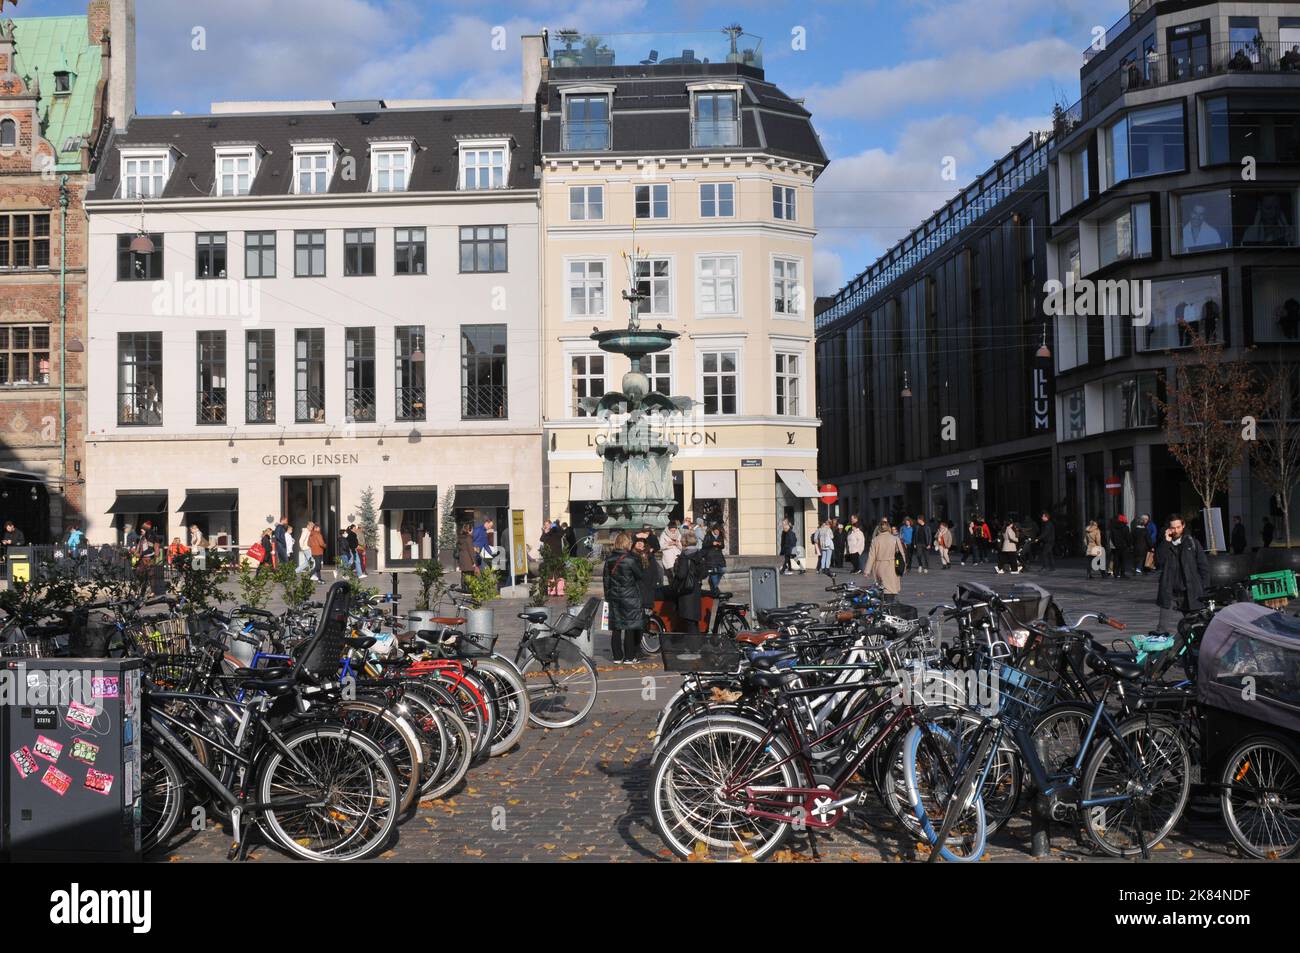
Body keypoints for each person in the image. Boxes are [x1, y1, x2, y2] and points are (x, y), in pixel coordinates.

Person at [1155, 514, 1209, 634]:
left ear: (1183, 525)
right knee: (1161, 628)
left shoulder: (1192, 543)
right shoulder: (1165, 543)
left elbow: (1203, 566)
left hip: (1189, 590)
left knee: (1193, 626)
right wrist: (1166, 542)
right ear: (1168, 528)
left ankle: (1190, 649)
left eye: (1178, 527)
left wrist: (1204, 588)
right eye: (1173, 528)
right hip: (1169, 590)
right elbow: (1158, 561)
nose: (1176, 530)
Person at [603, 532, 646, 665]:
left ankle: (617, 656)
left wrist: (608, 596)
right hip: (630, 596)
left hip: (614, 596)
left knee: (616, 627)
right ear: (627, 543)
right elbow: (640, 575)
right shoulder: (631, 559)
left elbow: (606, 580)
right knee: (629, 626)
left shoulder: (609, 559)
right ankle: (629, 656)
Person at [864, 518, 907, 599]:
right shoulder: (895, 539)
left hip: (879, 567)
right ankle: (889, 606)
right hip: (892, 567)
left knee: (881, 589)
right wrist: (903, 567)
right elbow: (901, 555)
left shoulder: (875, 540)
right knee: (890, 590)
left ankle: (883, 606)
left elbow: (871, 556)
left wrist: (867, 571)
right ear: (889, 528)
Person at [702, 524, 727, 595]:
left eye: (719, 531)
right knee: (713, 572)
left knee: (723, 570)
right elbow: (704, 545)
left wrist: (720, 544)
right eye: (716, 531)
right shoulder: (708, 535)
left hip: (719, 556)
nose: (718, 532)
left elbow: (723, 546)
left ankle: (713, 584)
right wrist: (712, 543)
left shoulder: (720, 536)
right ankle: (715, 588)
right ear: (713, 530)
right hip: (710, 557)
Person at [1109, 513, 1133, 579]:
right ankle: (1122, 574)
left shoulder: (1113, 527)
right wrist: (1129, 544)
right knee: (1123, 560)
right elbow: (1128, 537)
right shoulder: (1125, 528)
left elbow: (1112, 537)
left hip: (1116, 546)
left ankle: (1116, 573)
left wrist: (1115, 544)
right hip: (1124, 546)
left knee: (1116, 560)